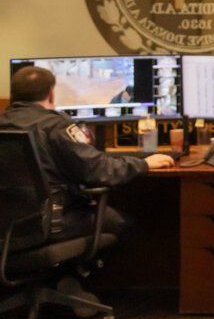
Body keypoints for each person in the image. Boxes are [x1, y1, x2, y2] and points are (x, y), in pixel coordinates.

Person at [0, 65, 173, 243]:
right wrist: (144, 164)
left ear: (14, 95)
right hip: (53, 221)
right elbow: (97, 170)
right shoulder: (55, 125)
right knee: (125, 223)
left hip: (7, 229)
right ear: (51, 94)